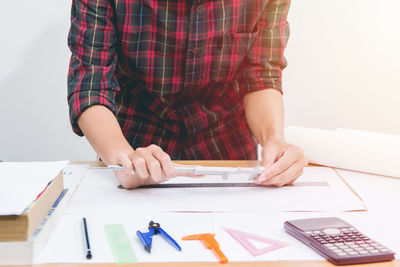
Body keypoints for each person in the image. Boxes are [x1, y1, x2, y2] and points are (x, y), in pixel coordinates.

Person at [67, 0, 308, 188]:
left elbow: (260, 75)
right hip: (135, 139)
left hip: (226, 148)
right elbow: (91, 83)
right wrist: (123, 159)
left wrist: (273, 140)